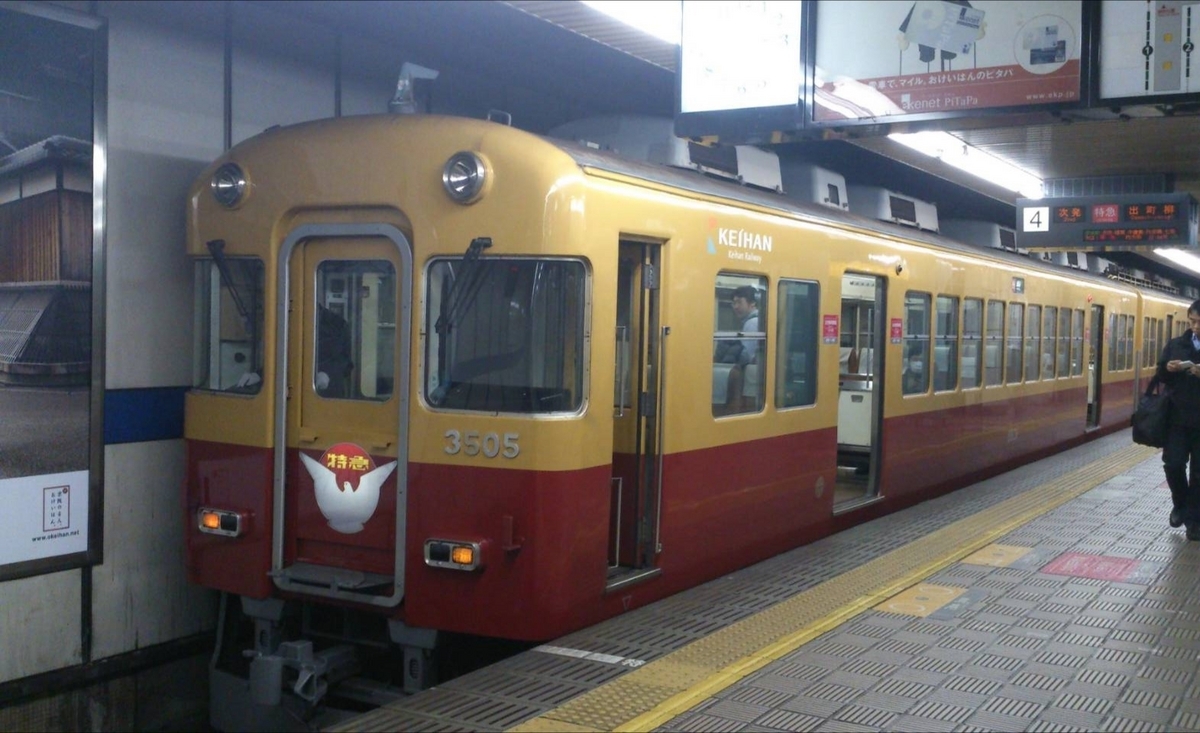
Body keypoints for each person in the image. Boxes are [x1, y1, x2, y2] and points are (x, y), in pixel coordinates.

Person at [1156, 299, 1200, 538]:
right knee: (1173, 465)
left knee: (1199, 474)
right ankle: (1180, 505)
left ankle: (1194, 520)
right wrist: (1168, 369)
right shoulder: (1176, 345)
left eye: (1199, 323)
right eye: (1192, 322)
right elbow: (1160, 374)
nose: (1195, 327)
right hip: (1177, 419)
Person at [714, 286, 760, 366]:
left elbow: (747, 355)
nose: (735, 307)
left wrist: (737, 368)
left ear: (752, 303)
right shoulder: (755, 321)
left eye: (739, 302)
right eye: (734, 303)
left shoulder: (752, 323)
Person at [316, 304, 354, 398]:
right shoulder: (338, 324)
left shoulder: (338, 325)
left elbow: (346, 365)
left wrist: (327, 373)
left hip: (329, 398)